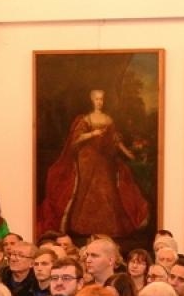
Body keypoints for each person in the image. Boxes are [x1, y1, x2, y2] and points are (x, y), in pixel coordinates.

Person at [39, 89, 149, 240]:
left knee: (106, 191)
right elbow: (75, 140)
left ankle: (106, 230)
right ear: (92, 100)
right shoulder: (86, 119)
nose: (100, 102)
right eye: (97, 99)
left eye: (102, 99)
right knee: (86, 192)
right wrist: (92, 134)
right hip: (87, 161)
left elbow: (115, 140)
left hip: (104, 161)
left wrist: (127, 152)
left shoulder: (108, 119)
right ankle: (82, 228)